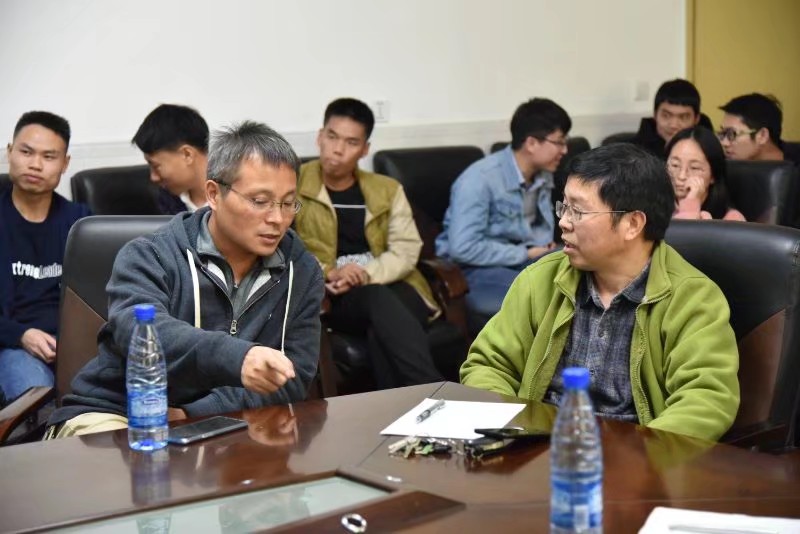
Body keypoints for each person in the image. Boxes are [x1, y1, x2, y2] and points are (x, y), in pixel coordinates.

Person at [46, 121, 324, 438]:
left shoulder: (301, 270)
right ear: (213, 194)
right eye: (260, 201)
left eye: (287, 203)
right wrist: (238, 358)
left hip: (227, 424)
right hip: (118, 412)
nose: (277, 219)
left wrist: (193, 414)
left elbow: (294, 376)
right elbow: (141, 333)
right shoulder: (149, 255)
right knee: (134, 467)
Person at [461, 143, 740, 442]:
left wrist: (644, 455)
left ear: (632, 224)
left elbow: (705, 398)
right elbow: (489, 364)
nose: (563, 222)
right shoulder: (541, 279)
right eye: (563, 206)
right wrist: (509, 429)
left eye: (578, 211)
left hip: (638, 454)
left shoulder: (693, 298)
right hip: (538, 446)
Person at [294, 98, 443, 389]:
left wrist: (364, 274)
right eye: (332, 137)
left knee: (381, 331)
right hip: (334, 293)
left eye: (351, 142)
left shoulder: (387, 189)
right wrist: (329, 271)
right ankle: (435, 392)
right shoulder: (293, 184)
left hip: (392, 283)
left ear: (365, 149)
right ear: (320, 137)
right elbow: (285, 246)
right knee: (378, 302)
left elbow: (405, 249)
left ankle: (405, 408)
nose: (338, 149)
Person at [436, 98, 571, 327]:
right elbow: (463, 248)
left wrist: (541, 248)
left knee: (587, 272)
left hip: (525, 258)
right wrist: (524, 253)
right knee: (542, 297)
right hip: (477, 269)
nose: (564, 150)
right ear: (531, 143)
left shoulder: (542, 174)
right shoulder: (479, 180)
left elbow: (539, 227)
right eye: (559, 142)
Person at [0, 111, 90, 407]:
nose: (35, 164)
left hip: (75, 345)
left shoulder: (81, 223)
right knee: (36, 397)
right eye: (26, 152)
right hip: (13, 345)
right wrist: (21, 335)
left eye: (49, 156)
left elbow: (100, 299)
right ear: (10, 152)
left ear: (65, 163)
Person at [132, 104, 210, 214]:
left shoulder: (233, 198)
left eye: (156, 166)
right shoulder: (164, 203)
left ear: (187, 154)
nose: (153, 177)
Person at [666, 126, 745, 221]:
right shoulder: (654, 208)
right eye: (675, 165)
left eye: (694, 168)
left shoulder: (732, 219)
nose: (681, 176)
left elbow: (683, 230)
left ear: (713, 175)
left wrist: (691, 203)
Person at [631, 79, 714, 158]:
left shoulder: (712, 153)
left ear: (696, 119)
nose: (673, 125)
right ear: (655, 115)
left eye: (683, 117)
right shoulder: (632, 153)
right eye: (666, 116)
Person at [718, 93, 796, 164]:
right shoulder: (723, 165)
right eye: (722, 133)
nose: (724, 143)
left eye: (732, 134)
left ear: (762, 136)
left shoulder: (795, 169)